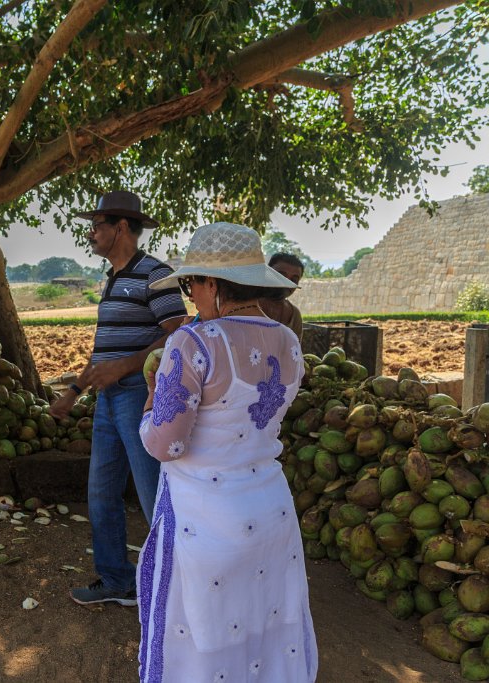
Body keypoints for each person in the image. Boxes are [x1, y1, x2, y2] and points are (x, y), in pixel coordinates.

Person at [136, 222, 316, 683]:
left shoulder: (193, 343)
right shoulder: (290, 343)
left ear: (213, 284)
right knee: (263, 634)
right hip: (271, 513)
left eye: (191, 283)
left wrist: (153, 400)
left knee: (203, 644)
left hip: (206, 522)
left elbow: (167, 445)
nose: (190, 295)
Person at [50, 190, 186, 607]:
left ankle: (177, 588)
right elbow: (104, 349)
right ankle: (117, 581)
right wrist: (73, 392)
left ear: (121, 228)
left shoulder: (155, 274)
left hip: (137, 397)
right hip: (108, 400)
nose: (91, 234)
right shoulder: (111, 279)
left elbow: (177, 336)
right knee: (101, 494)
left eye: (97, 226)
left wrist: (125, 368)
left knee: (151, 494)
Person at [259, 252, 305, 341]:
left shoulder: (294, 315)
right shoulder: (245, 305)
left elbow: (294, 352)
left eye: (294, 279)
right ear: (267, 273)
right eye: (281, 275)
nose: (286, 282)